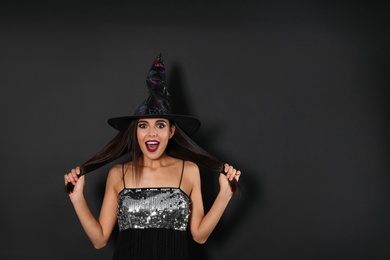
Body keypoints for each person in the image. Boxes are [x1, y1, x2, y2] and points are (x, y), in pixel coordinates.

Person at [64, 54, 241, 260]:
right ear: (135, 132)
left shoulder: (189, 170)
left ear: (172, 131)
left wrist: (225, 195)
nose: (151, 133)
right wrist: (77, 199)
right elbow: (100, 239)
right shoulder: (118, 173)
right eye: (143, 125)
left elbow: (200, 236)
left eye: (160, 125)